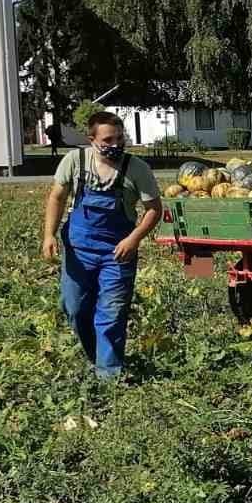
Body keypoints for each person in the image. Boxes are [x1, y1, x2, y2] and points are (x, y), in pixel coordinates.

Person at [41, 111, 162, 379]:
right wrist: (48, 235)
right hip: (78, 251)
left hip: (117, 253)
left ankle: (109, 375)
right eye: (108, 139)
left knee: (111, 312)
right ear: (92, 139)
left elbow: (154, 209)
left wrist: (133, 239)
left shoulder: (136, 168)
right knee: (75, 309)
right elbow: (57, 198)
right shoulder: (75, 161)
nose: (116, 143)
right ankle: (95, 357)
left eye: (120, 138)